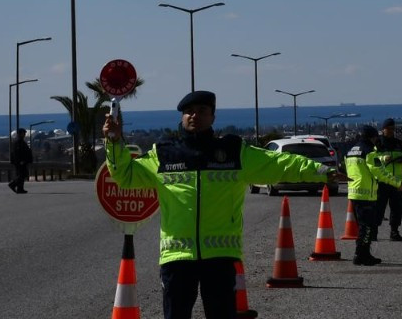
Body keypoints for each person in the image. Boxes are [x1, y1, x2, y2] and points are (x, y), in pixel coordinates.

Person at [102, 90, 332, 319]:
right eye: (189, 112)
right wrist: (113, 141)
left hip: (220, 256)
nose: (194, 116)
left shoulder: (233, 152)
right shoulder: (164, 155)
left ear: (213, 117)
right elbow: (125, 175)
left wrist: (322, 171)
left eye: (202, 111)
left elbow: (279, 163)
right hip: (177, 257)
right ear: (182, 117)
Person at [344, 125, 402, 265]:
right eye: (376, 137)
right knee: (367, 226)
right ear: (371, 137)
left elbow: (353, 169)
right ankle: (361, 255)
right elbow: (379, 173)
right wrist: (397, 183)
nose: (377, 139)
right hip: (366, 194)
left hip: (354, 193)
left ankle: (363, 254)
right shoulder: (369, 152)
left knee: (362, 226)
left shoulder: (351, 151)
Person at [375, 118, 402, 241]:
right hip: (382, 181)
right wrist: (384, 159)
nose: (391, 131)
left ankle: (394, 231)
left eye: (393, 128)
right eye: (388, 128)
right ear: (383, 129)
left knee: (397, 207)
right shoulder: (377, 144)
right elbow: (372, 160)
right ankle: (373, 231)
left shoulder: (400, 144)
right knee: (379, 207)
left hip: (397, 182)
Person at [8, 128, 32, 194]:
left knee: (22, 175)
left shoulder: (21, 141)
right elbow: (17, 153)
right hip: (20, 162)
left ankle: (20, 189)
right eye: (23, 133)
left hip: (23, 161)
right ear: (19, 134)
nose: (24, 134)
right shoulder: (18, 142)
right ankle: (13, 184)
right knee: (22, 174)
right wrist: (20, 161)